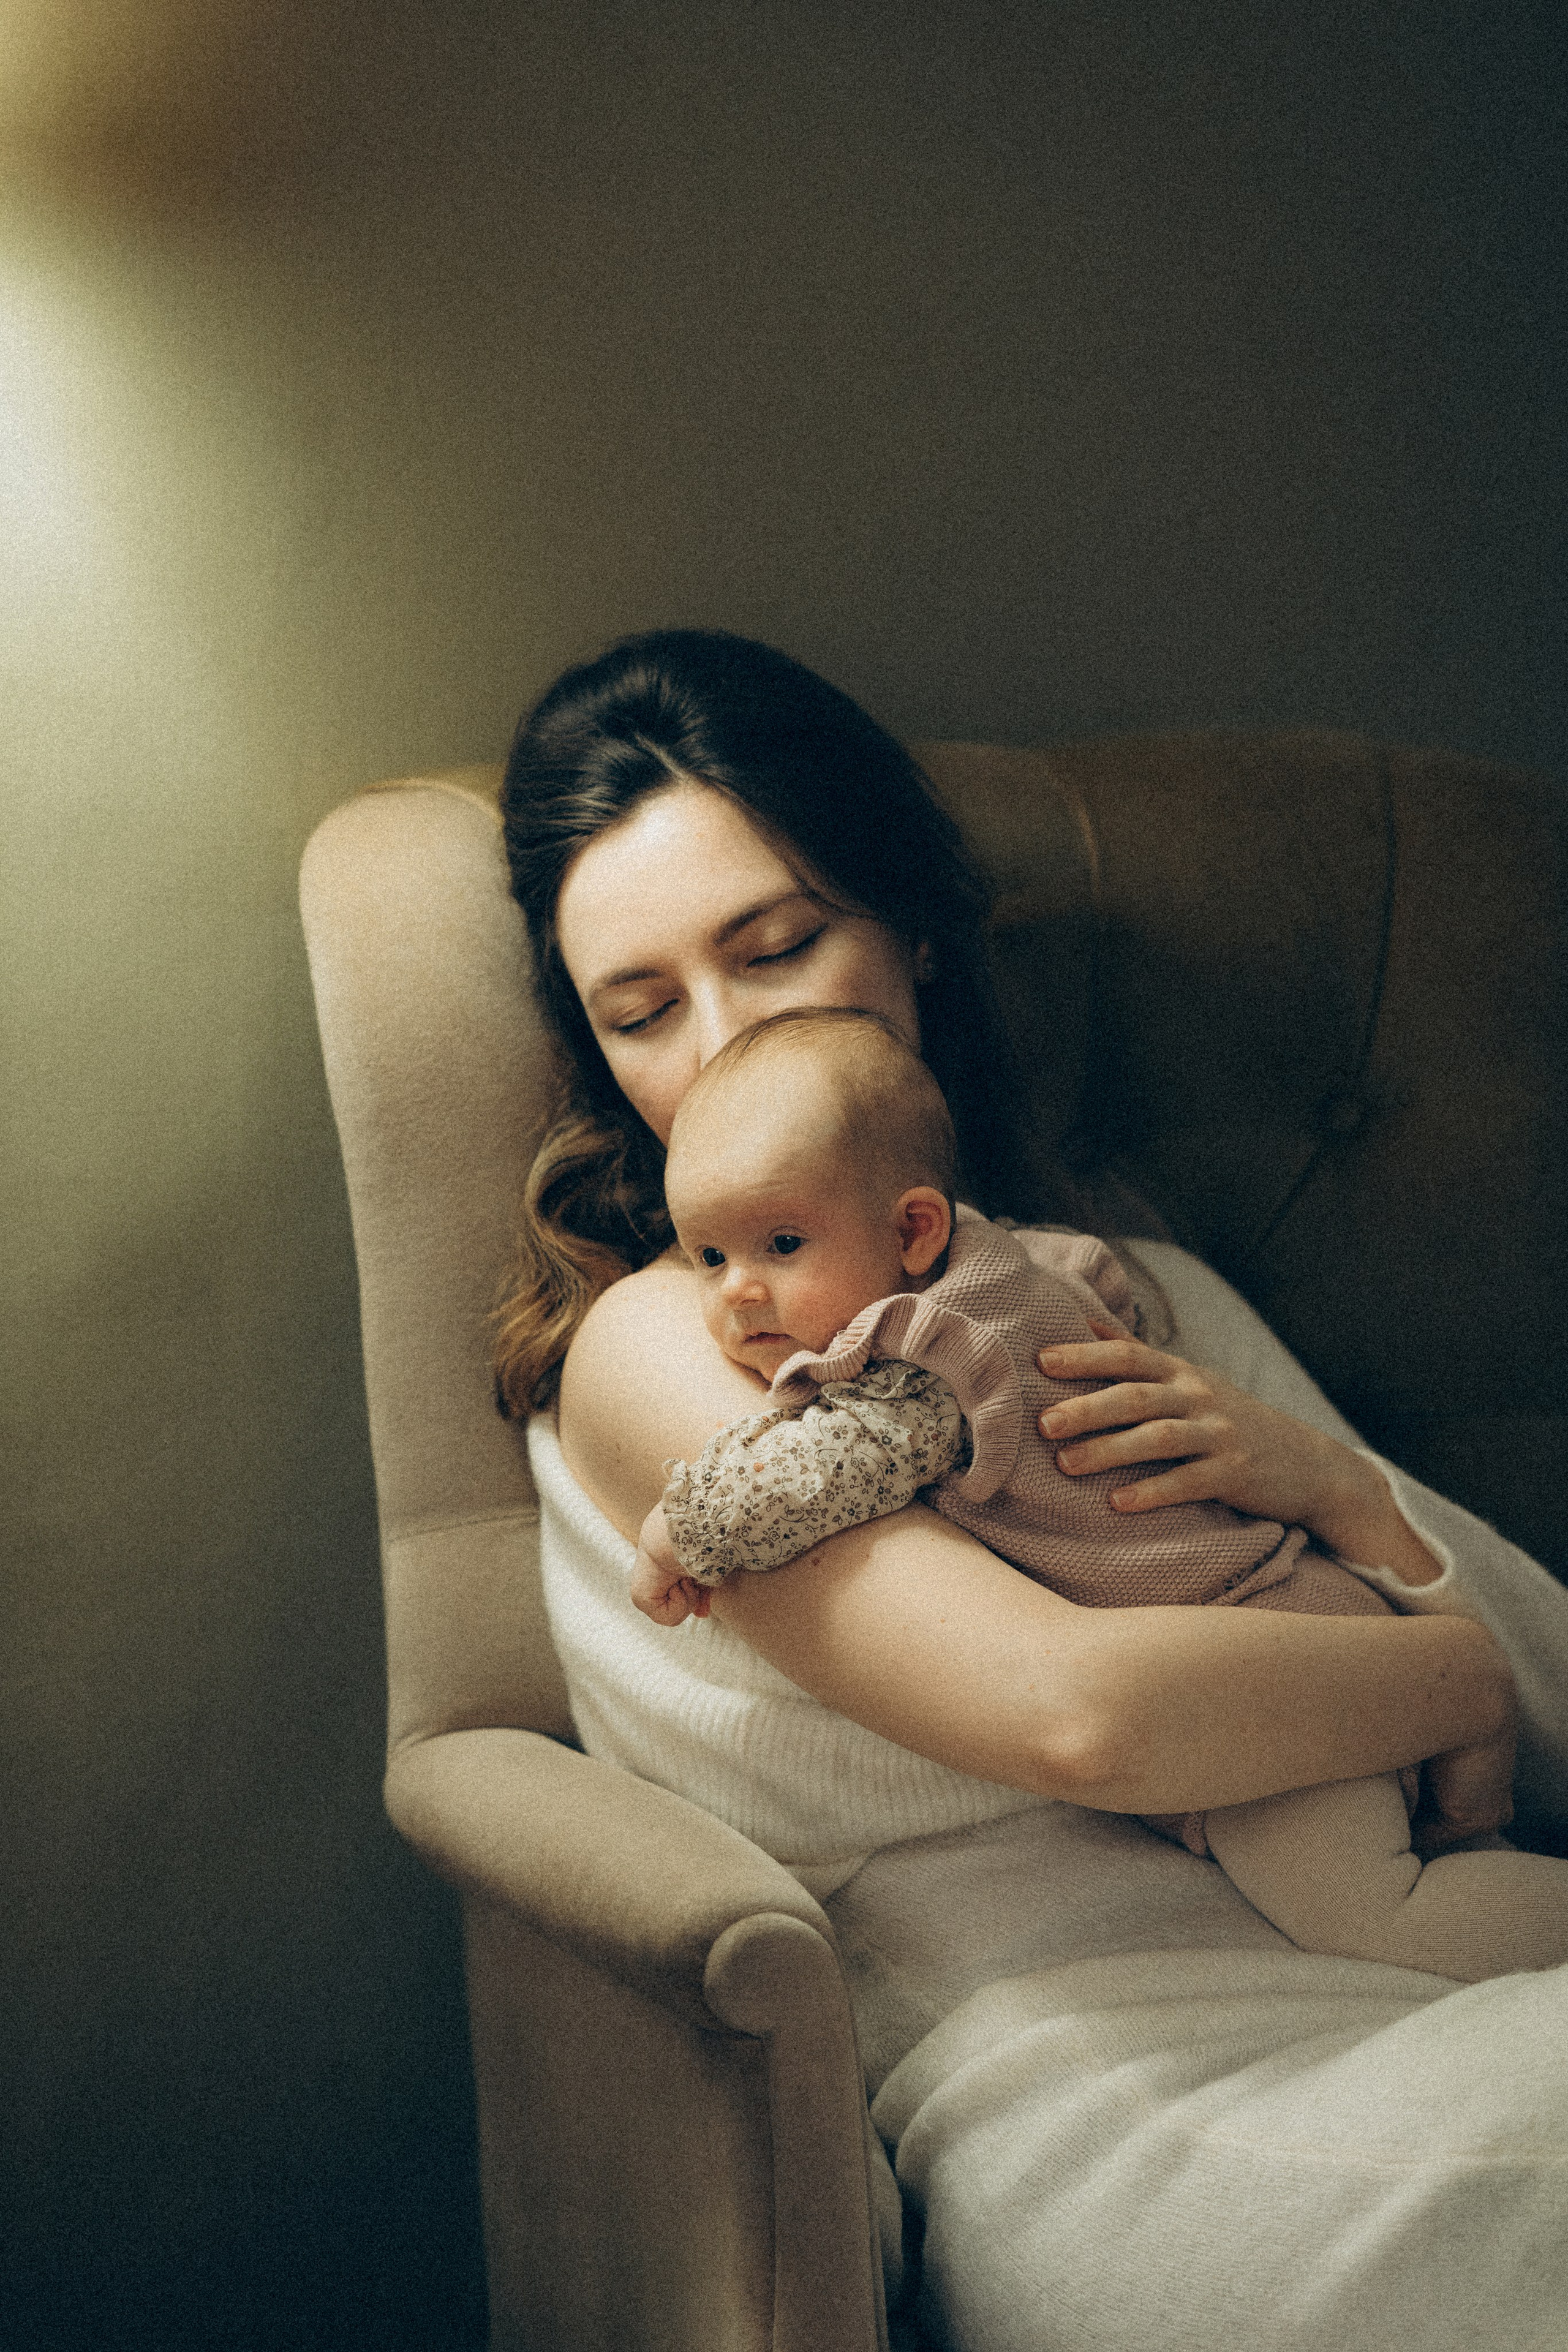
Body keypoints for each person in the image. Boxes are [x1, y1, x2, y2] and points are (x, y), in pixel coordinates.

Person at [495, 627, 1568, 2351]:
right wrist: (1443, 1669)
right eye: (640, 1009)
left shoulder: (1128, 1297)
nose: (716, 1042)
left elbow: (1556, 1698)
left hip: (1413, 1958)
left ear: (911, 932)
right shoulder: (675, 1344)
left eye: (778, 949)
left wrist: (1350, 1505)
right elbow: (1081, 1718)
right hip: (1097, 2089)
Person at [626, 1003, 1568, 1985]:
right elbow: (1101, 1283)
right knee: (1439, 1878)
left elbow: (822, 1470)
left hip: (1247, 1654)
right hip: (1283, 1623)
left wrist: (682, 1531)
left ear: (914, 1229)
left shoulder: (931, 1363)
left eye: (781, 1245)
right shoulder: (1018, 1264)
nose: (736, 1293)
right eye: (708, 1256)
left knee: (1383, 1912)